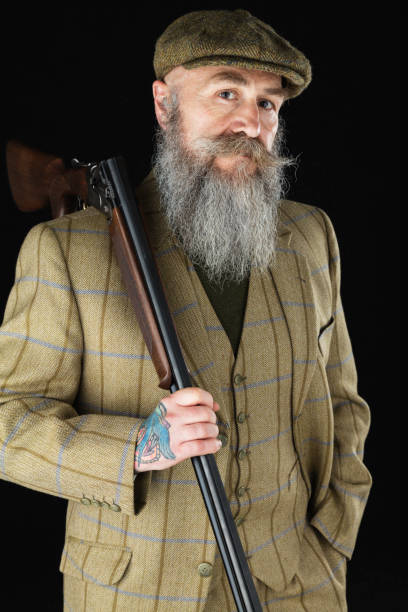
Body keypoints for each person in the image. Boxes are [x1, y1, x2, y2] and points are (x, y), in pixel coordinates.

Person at [0, 9, 371, 611]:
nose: (250, 123)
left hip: (299, 585)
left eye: (268, 104)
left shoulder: (309, 235)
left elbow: (342, 402)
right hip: (138, 592)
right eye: (226, 93)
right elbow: (6, 423)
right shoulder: (68, 252)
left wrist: (334, 535)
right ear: (164, 103)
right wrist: (138, 448)